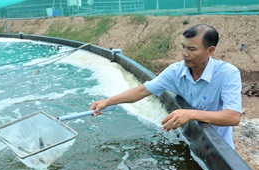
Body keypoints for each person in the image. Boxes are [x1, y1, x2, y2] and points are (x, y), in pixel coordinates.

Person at [89, 24, 242, 149]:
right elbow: (142, 90)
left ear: (210, 51)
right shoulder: (176, 71)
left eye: (192, 49)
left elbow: (233, 117)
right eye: (183, 47)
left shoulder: (228, 74)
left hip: (220, 150)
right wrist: (107, 102)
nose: (184, 54)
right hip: (190, 143)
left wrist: (190, 114)